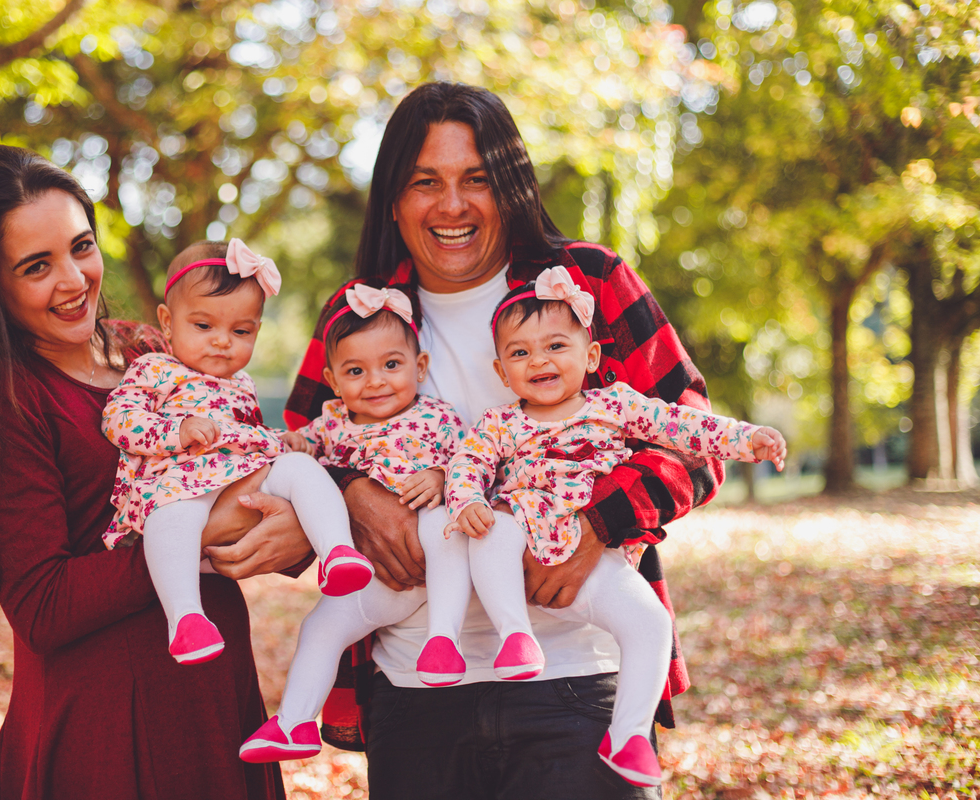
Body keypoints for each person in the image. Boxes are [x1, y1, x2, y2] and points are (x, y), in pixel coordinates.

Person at [285, 82, 722, 798]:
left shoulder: (587, 283)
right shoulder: (362, 314)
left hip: (578, 680)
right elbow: (300, 452)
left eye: (476, 180)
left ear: (511, 187)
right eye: (427, 182)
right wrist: (355, 497)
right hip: (413, 687)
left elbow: (693, 438)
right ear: (394, 198)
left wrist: (595, 526)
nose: (452, 206)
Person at [0, 144, 311, 799]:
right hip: (108, 735)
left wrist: (295, 532)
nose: (74, 279)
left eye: (80, 247)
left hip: (216, 707)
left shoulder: (150, 348)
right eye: (36, 266)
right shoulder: (7, 402)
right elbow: (43, 608)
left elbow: (241, 465)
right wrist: (195, 534)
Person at [443, 267, 787, 787]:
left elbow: (684, 425)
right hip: (522, 536)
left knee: (650, 622)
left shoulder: (616, 405)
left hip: (593, 558)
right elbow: (467, 462)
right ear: (501, 370)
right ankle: (515, 634)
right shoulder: (501, 423)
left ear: (592, 356)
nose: (539, 360)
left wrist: (745, 437)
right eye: (520, 353)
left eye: (556, 345)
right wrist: (466, 496)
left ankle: (626, 734)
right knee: (490, 531)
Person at [101, 239, 372, 665]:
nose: (223, 342)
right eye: (204, 326)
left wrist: (284, 440)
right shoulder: (155, 369)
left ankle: (337, 551)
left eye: (240, 331)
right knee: (172, 515)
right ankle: (186, 617)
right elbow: (118, 419)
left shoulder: (242, 382)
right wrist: (176, 432)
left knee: (300, 467)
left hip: (240, 476)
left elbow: (249, 435)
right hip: (179, 481)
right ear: (168, 322)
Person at [238, 284, 472, 762]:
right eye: (355, 371)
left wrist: (442, 474)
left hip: (442, 564)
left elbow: (479, 462)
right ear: (333, 379)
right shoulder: (331, 425)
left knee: (440, 521)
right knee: (323, 625)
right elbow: (290, 448)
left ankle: (443, 641)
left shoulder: (440, 418)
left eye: (392, 364)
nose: (376, 381)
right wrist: (297, 446)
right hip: (382, 577)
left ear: (420, 368)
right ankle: (294, 722)